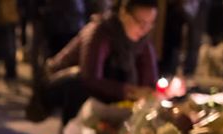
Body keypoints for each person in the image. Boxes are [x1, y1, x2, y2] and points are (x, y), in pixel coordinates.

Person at [28, 0, 158, 124]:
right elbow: (90, 78)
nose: (144, 29)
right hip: (59, 82)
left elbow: (149, 80)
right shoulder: (100, 31)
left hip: (100, 87)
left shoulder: (143, 42)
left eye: (150, 23)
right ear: (123, 13)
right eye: (139, 22)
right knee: (78, 83)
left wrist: (148, 92)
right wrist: (129, 91)